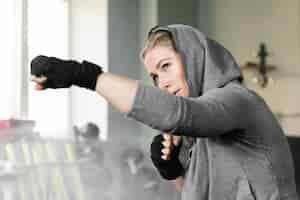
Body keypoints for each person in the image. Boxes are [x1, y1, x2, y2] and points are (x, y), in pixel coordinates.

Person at [30, 24, 298, 200]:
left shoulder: (238, 101)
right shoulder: (199, 137)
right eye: (155, 76)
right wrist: (174, 171)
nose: (163, 83)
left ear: (194, 57)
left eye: (167, 66)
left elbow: (179, 114)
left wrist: (85, 76)